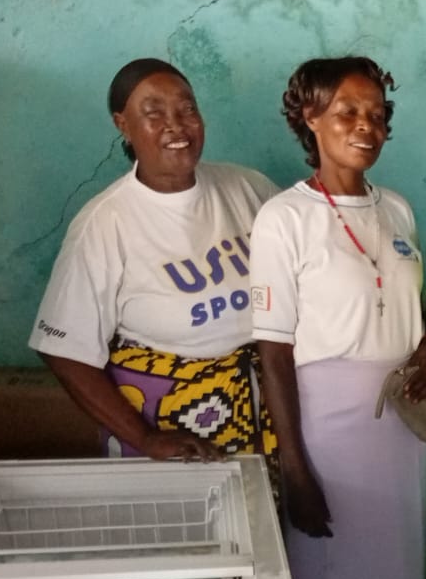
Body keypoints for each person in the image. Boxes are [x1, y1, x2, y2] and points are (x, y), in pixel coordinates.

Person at [249, 57, 426, 579]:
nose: (367, 126)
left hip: (398, 427)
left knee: (394, 574)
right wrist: (295, 467)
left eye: (377, 115)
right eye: (348, 113)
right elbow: (272, 351)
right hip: (326, 425)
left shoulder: (397, 209)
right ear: (311, 118)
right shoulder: (284, 218)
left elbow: (409, 311)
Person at [31, 58, 278, 463]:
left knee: (256, 521)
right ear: (122, 125)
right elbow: (63, 351)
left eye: (187, 109)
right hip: (168, 429)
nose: (176, 125)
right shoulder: (105, 222)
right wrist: (146, 438)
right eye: (154, 113)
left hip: (261, 415)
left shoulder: (249, 189)